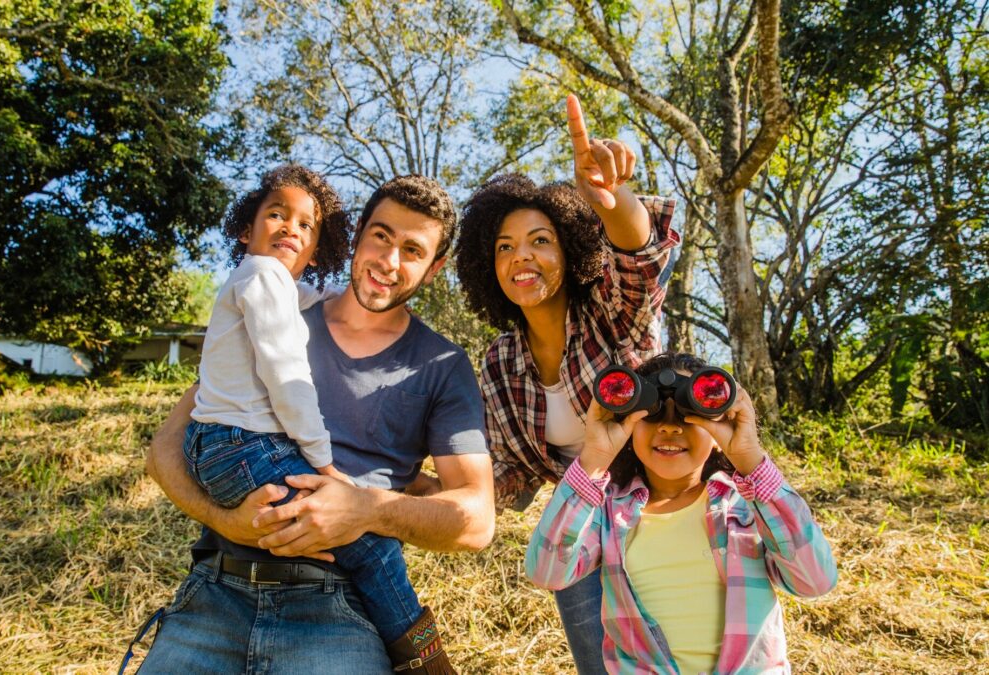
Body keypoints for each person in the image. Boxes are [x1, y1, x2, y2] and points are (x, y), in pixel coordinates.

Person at [135, 175, 495, 674]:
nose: (389, 261)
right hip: (216, 591)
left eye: (412, 250)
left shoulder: (442, 365)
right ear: (357, 236)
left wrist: (366, 510)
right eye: (381, 236)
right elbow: (166, 450)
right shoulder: (279, 308)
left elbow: (477, 520)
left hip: (337, 610)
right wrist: (225, 520)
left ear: (434, 269)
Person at [453, 94, 678, 673]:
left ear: (573, 247)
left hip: (665, 511)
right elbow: (507, 474)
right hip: (578, 533)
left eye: (539, 240)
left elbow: (640, 257)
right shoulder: (500, 362)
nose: (520, 257)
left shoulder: (610, 309)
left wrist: (611, 199)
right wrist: (402, 484)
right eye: (504, 247)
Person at [525, 352, 838, 673]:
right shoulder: (607, 512)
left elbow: (814, 581)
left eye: (690, 415)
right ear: (630, 425)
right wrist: (593, 460)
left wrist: (750, 459)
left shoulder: (747, 506)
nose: (671, 428)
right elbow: (547, 571)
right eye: (653, 413)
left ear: (719, 430)